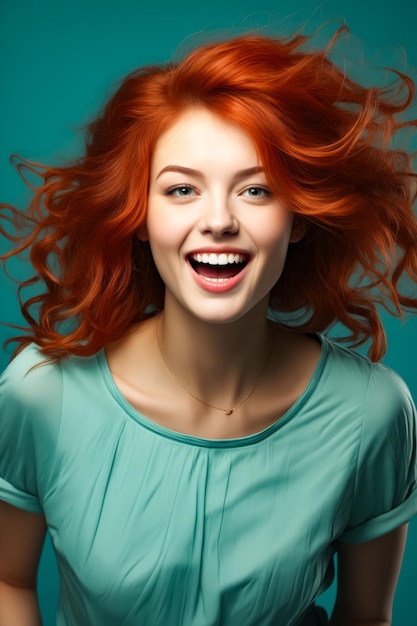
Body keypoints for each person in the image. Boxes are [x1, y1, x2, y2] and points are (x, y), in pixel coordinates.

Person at [0, 25, 417, 626]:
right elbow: (8, 577)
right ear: (138, 216)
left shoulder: (371, 413)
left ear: (298, 218)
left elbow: (367, 615)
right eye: (181, 190)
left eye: (255, 189)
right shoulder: (42, 393)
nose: (217, 220)